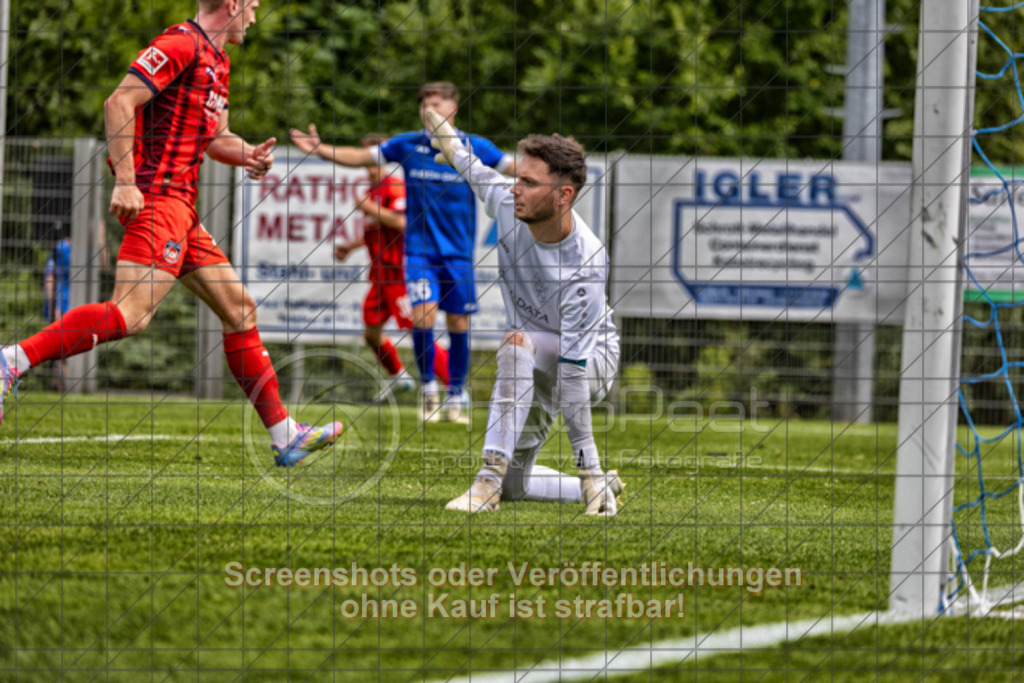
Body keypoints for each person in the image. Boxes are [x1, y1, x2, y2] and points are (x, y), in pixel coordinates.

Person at [0, 0, 342, 467]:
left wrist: (248, 155)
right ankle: (12, 361)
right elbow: (119, 101)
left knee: (240, 309)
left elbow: (214, 137)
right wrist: (125, 181)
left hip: (183, 210)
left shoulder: (218, 61)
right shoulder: (180, 43)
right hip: (158, 202)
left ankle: (285, 435)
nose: (257, 11)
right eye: (253, 3)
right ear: (232, 3)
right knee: (130, 315)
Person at [427, 110, 624, 516]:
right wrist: (453, 148)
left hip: (590, 361)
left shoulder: (586, 262)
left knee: (516, 343)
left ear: (563, 195)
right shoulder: (506, 200)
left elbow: (571, 376)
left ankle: (486, 483)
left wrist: (588, 464)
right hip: (532, 360)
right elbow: (477, 172)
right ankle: (591, 487)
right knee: (519, 486)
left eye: (529, 183)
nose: (516, 189)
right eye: (518, 177)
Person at [289, 82, 515, 424]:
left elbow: (515, 167)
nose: (428, 108)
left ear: (453, 106)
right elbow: (361, 156)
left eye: (436, 102)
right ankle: (428, 391)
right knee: (422, 317)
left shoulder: (476, 147)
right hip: (420, 253)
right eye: (424, 102)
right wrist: (323, 150)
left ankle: (456, 395)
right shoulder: (407, 144)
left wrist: (557, 163)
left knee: (458, 323)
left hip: (459, 256)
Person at [336, 134, 450, 401]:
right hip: (380, 276)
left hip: (400, 274)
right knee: (371, 333)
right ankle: (399, 376)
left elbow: (401, 223)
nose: (370, 165)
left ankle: (455, 387)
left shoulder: (394, 186)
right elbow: (374, 231)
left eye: (375, 159)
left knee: (419, 331)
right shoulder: (371, 192)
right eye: (367, 159)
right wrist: (350, 247)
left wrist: (369, 208)